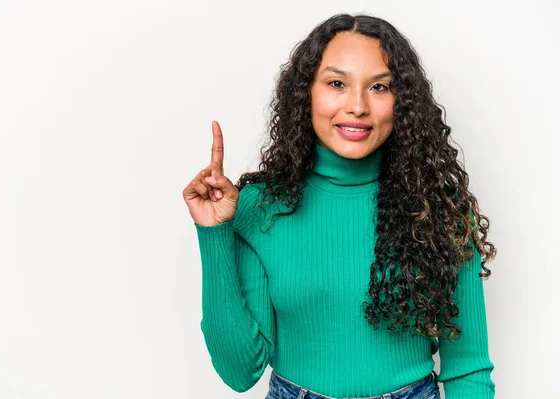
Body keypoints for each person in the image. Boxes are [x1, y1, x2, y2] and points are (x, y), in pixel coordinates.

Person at [182, 13, 497, 399]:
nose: (358, 106)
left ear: (403, 102)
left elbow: (468, 366)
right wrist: (214, 233)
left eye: (380, 87)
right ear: (306, 92)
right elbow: (240, 371)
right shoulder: (261, 206)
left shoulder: (438, 205)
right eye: (337, 84)